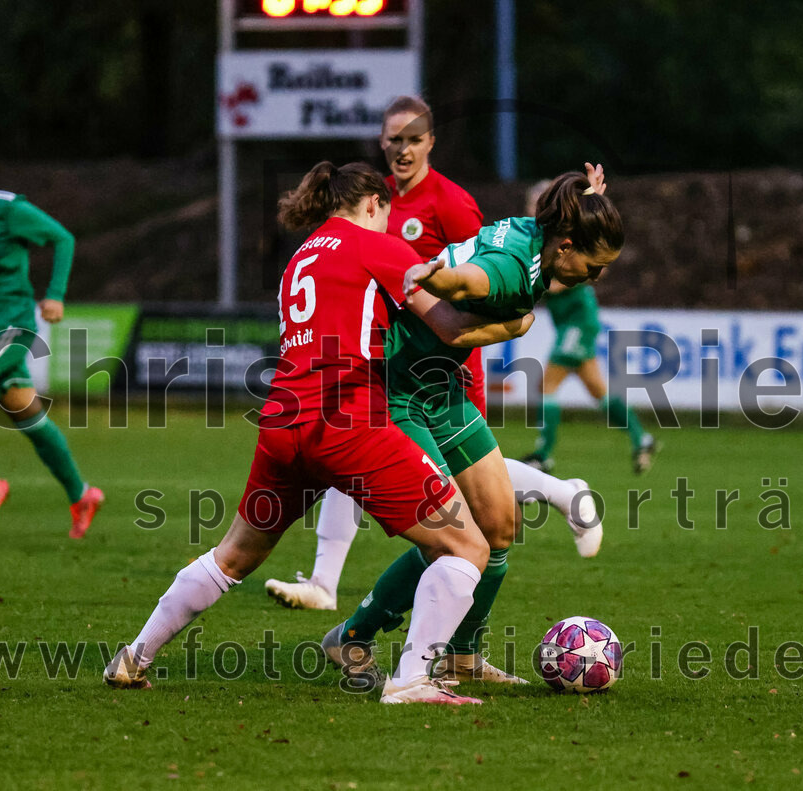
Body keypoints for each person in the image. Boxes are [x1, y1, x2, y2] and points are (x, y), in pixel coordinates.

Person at [103, 161, 533, 705]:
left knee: (232, 555)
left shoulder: (300, 257)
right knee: (468, 545)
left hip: (284, 422)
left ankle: (133, 656)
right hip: (348, 423)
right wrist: (515, 324)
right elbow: (449, 326)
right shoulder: (375, 245)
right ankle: (412, 680)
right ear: (374, 204)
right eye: (386, 212)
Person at [264, 100, 604, 616]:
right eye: (394, 139)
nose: (403, 149)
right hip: (389, 361)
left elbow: (490, 271)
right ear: (381, 142)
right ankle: (331, 589)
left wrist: (458, 295)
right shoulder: (370, 200)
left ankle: (557, 493)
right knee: (413, 489)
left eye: (413, 139)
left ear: (430, 144)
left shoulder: (450, 203)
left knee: (456, 507)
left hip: (445, 366)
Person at [323, 169, 624, 688]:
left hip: (442, 389)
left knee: (499, 527)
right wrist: (431, 276)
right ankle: (353, 638)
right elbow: (472, 280)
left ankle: (463, 656)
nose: (593, 278)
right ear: (567, 246)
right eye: (593, 267)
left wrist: (591, 198)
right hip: (399, 393)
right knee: (452, 539)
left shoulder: (537, 234)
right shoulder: (511, 269)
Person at [0, 135, 103, 537]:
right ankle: (81, 494)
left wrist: (56, 295)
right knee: (24, 411)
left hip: (10, 325)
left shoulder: (8, 209)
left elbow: (63, 238)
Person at [519, 180, 657, 475]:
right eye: (531, 203)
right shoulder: (537, 235)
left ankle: (543, 455)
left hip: (578, 320)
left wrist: (548, 284)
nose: (532, 208)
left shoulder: (564, 231)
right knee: (598, 392)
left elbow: (599, 264)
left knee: (547, 385)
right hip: (572, 322)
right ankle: (641, 438)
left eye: (537, 202)